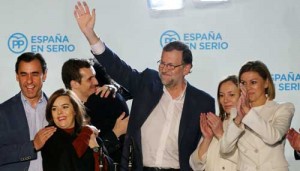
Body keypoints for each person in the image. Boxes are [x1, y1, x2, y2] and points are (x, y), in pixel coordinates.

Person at [74, 2, 215, 170]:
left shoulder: (202, 103)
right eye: (162, 63)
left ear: (186, 69)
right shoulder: (148, 83)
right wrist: (90, 35)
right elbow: (118, 67)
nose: (164, 69)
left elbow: (205, 151)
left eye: (171, 66)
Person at [220, 61, 295, 171]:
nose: (248, 87)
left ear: (266, 83)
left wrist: (247, 111)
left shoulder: (283, 108)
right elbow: (225, 149)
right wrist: (239, 119)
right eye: (243, 83)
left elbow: (273, 137)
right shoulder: (235, 113)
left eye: (253, 82)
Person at [61, 58, 129, 164]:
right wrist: (115, 133)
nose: (96, 82)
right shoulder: (65, 113)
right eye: (90, 79)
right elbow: (80, 156)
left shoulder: (102, 100)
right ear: (74, 84)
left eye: (95, 76)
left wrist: (115, 87)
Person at [0, 52, 56, 171]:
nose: (29, 81)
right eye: (23, 74)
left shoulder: (56, 109)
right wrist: (32, 146)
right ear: (17, 76)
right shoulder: (3, 112)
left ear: (44, 75)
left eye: (34, 74)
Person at [42, 88, 112, 171]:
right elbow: (66, 163)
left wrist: (95, 148)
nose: (59, 112)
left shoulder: (90, 134)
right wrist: (86, 133)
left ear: (75, 110)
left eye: (65, 107)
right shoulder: (49, 136)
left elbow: (107, 167)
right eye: (54, 109)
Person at [190, 75, 239, 171]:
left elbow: (250, 161)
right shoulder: (215, 123)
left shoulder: (249, 125)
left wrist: (220, 134)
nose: (225, 100)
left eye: (231, 95)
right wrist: (207, 139)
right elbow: (195, 165)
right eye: (221, 95)